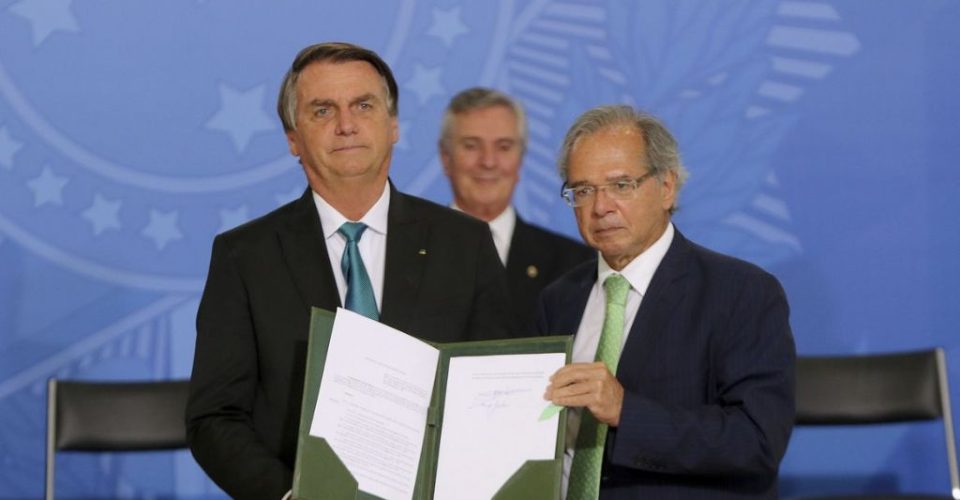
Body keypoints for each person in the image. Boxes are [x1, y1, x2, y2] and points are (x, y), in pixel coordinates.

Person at [185, 42, 512, 500]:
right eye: (322, 111)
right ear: (293, 139)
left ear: (393, 124)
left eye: (363, 105)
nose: (345, 125)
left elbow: (495, 396)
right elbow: (214, 417)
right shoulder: (245, 256)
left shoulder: (465, 244)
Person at [538, 105, 795, 499]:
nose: (600, 206)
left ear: (667, 186)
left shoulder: (741, 293)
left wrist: (626, 411)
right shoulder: (558, 300)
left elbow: (757, 442)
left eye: (621, 185)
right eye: (583, 190)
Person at [440, 87, 593, 334]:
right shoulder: (405, 251)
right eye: (471, 146)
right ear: (445, 158)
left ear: (520, 158)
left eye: (503, 147)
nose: (488, 162)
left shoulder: (576, 266)